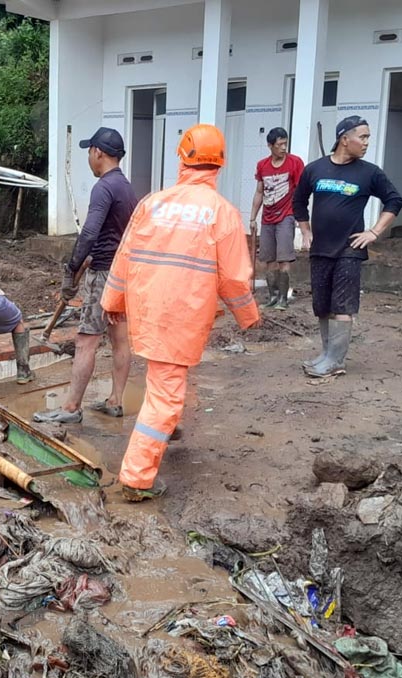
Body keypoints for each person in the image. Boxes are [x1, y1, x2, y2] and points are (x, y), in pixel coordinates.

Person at [101, 124, 260, 502]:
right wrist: (248, 316)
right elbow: (234, 278)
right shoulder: (222, 213)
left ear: (182, 158)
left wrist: (112, 301)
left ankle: (166, 427)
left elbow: (125, 257)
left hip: (148, 308)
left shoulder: (152, 203)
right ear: (219, 164)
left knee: (163, 379)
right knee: (166, 393)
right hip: (184, 315)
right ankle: (137, 479)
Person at [32, 127, 137, 425]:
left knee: (86, 340)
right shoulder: (126, 187)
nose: (89, 158)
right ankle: (115, 400)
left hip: (103, 274)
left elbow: (89, 233)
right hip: (123, 273)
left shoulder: (103, 187)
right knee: (119, 338)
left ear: (98, 152)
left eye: (89, 152)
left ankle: (70, 408)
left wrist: (71, 270)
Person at [292, 115, 402, 378]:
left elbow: (394, 200)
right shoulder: (315, 169)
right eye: (362, 137)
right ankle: (326, 354)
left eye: (367, 137)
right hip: (320, 248)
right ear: (344, 139)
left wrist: (374, 232)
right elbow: (298, 201)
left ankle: (336, 360)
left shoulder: (369, 173)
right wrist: (305, 231)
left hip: (349, 249)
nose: (366, 143)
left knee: (342, 305)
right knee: (322, 305)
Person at [250, 127, 304, 309]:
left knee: (284, 258)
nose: (283, 148)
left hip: (286, 216)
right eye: (279, 144)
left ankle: (283, 299)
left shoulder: (295, 163)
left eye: (285, 144)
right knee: (268, 259)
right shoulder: (262, 165)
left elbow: (301, 191)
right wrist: (252, 218)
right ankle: (272, 296)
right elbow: (259, 192)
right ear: (270, 145)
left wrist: (300, 217)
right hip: (267, 218)